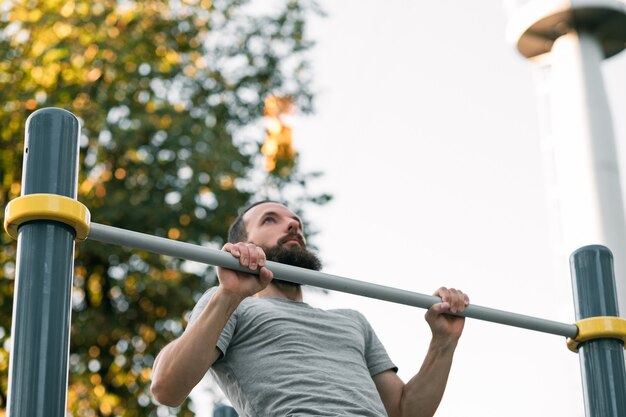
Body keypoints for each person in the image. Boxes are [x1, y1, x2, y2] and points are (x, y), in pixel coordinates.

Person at [151, 201, 470, 417]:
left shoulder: (352, 321)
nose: (291, 225)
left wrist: (444, 343)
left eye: (295, 222)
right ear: (244, 242)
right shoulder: (231, 304)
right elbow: (166, 388)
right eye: (270, 220)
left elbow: (403, 411)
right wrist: (228, 295)